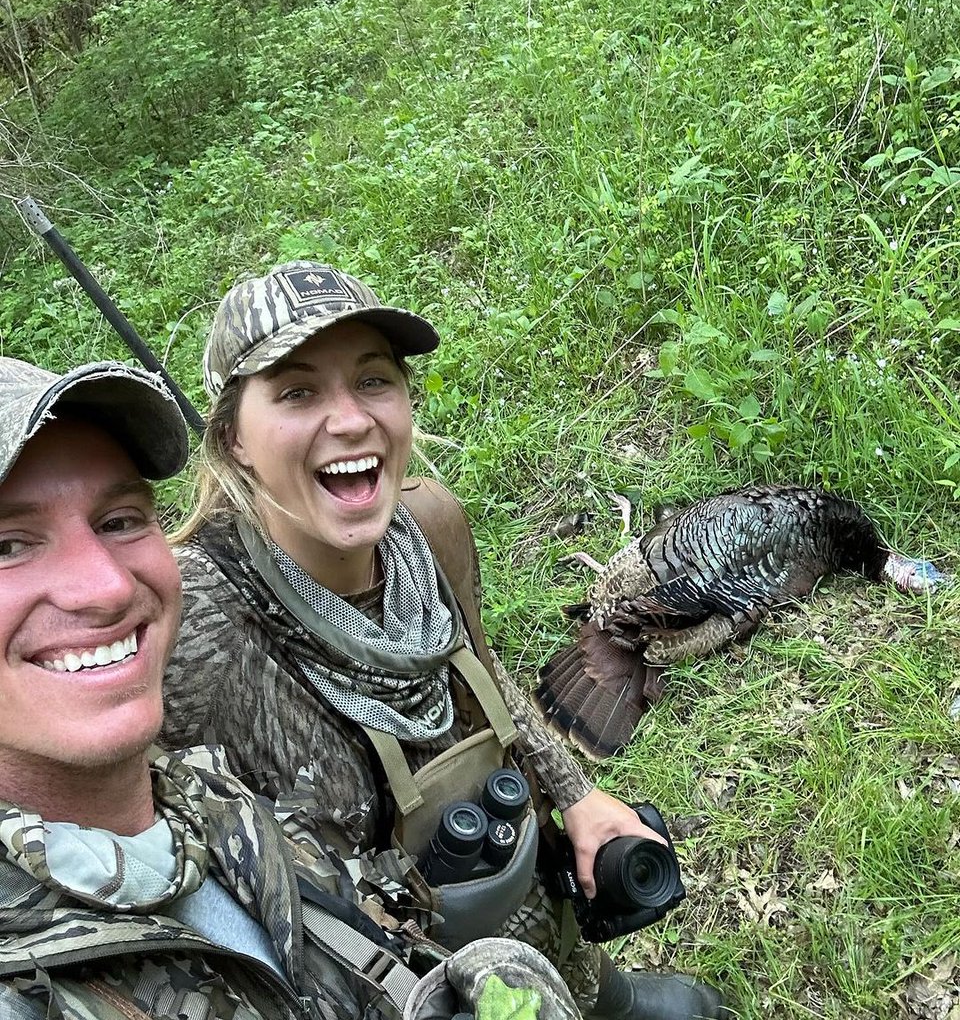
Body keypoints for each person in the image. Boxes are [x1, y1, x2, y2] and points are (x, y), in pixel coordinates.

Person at [162, 261, 731, 1020]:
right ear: (232, 438)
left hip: (526, 900)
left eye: (373, 380)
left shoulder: (424, 526)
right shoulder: (192, 617)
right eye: (297, 392)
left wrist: (577, 795)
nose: (352, 419)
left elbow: (482, 688)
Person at [0, 353, 582, 1020]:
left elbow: (476, 665)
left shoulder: (206, 797)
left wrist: (472, 972)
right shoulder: (209, 620)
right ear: (233, 442)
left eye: (121, 520)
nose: (106, 586)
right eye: (8, 545)